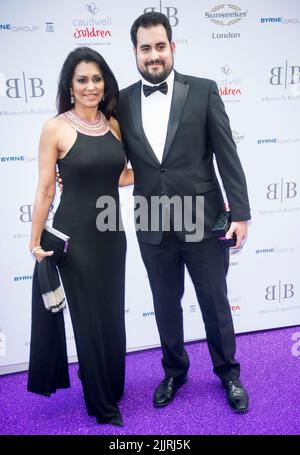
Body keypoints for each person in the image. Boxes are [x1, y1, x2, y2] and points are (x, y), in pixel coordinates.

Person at [116, 12, 251, 412]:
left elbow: (228, 154)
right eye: (145, 48)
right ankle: (174, 371)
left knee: (215, 302)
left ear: (172, 47)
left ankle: (229, 373)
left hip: (204, 221)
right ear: (135, 53)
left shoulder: (204, 90)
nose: (153, 55)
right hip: (152, 223)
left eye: (160, 46)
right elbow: (114, 158)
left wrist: (240, 213)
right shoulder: (121, 100)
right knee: (164, 303)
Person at [28, 46, 133, 426]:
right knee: (88, 320)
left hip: (111, 234)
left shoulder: (113, 124)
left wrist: (157, 173)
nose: (91, 86)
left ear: (105, 84)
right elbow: (45, 189)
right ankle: (102, 404)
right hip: (76, 238)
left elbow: (118, 175)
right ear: (70, 86)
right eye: (82, 80)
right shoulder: (55, 127)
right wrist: (35, 239)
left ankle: (109, 383)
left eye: (97, 79)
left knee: (111, 316)